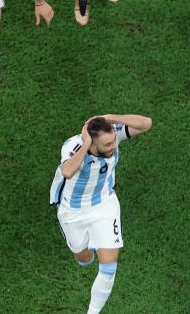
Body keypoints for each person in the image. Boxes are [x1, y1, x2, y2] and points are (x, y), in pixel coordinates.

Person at [50, 114, 152, 314]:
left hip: (104, 204)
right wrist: (85, 145)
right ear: (92, 143)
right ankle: (88, 251)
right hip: (73, 212)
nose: (113, 146)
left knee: (109, 267)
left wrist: (110, 118)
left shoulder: (112, 136)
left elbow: (146, 123)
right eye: (107, 144)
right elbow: (67, 171)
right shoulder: (73, 145)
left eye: (114, 139)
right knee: (84, 258)